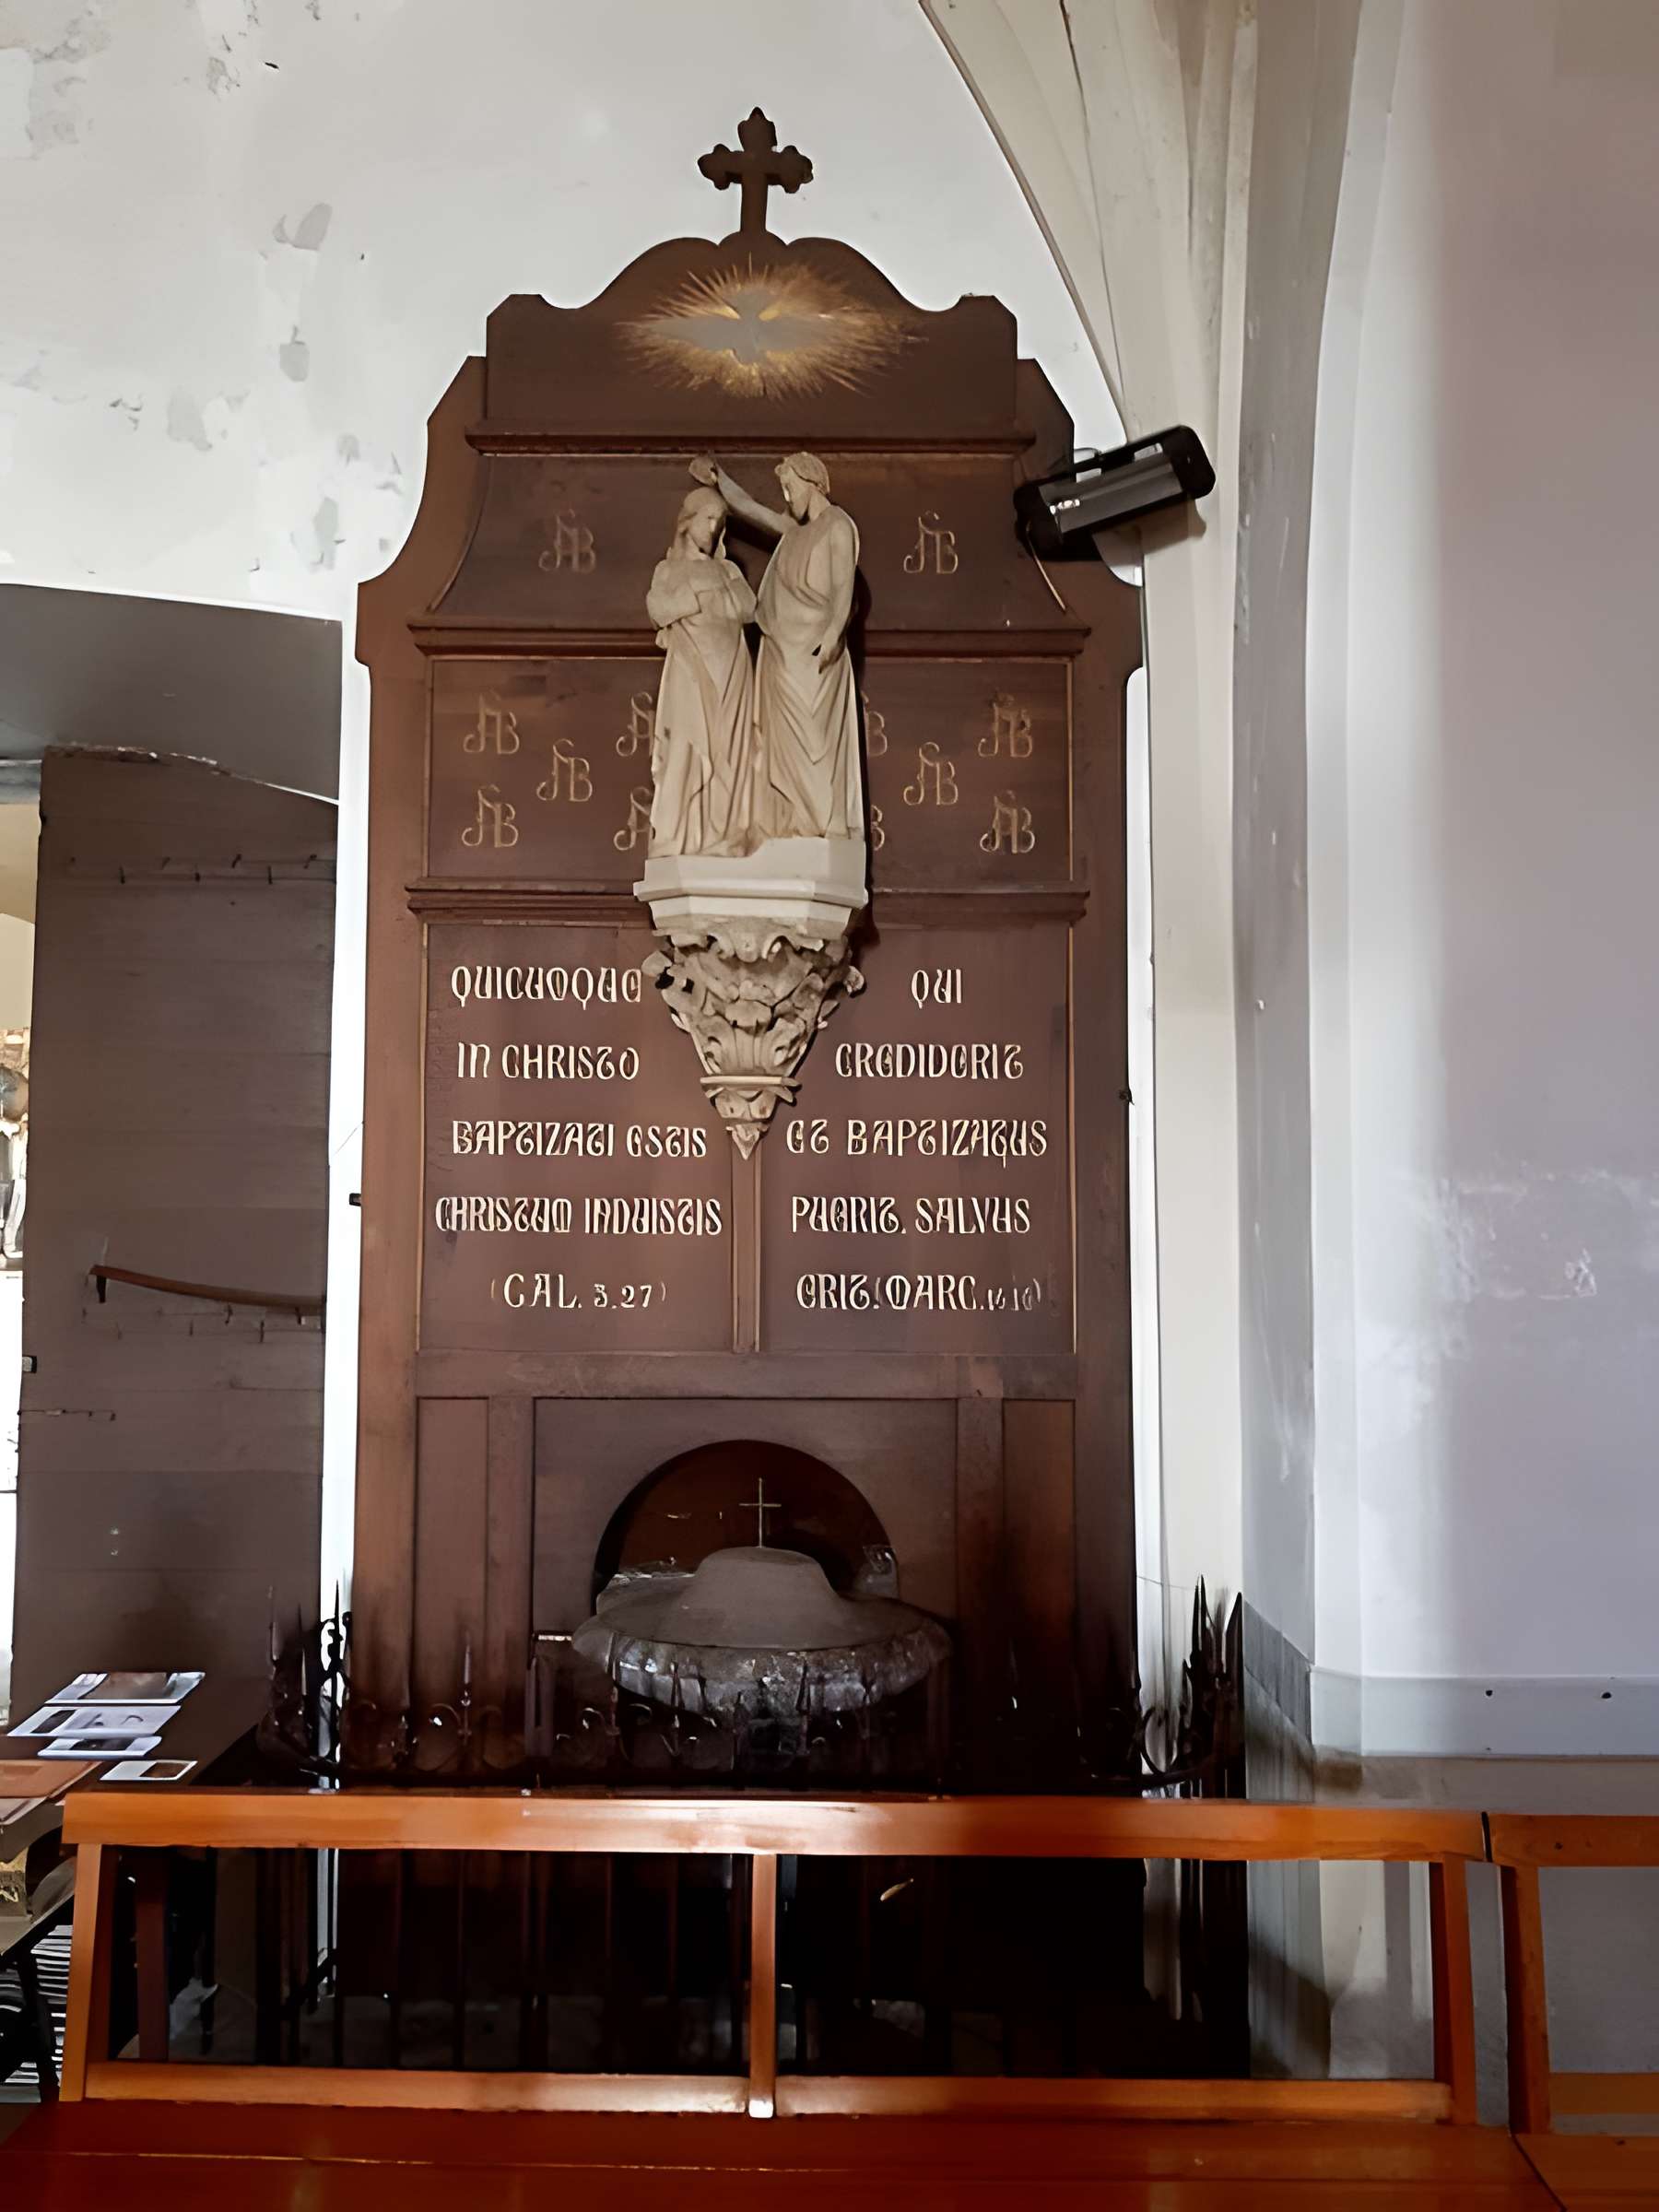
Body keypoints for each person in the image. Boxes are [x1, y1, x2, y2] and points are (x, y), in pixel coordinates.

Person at [689, 452, 862, 842]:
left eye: (790, 487)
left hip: (813, 650)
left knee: (814, 740)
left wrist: (833, 634)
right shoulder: (793, 530)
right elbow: (747, 506)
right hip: (780, 648)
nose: (786, 496)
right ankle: (796, 824)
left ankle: (822, 825)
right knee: (781, 743)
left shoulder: (837, 525)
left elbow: (843, 589)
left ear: (812, 482)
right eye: (783, 489)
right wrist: (719, 478)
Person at [644, 485, 759, 857]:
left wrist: (710, 593)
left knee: (730, 750)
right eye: (707, 519)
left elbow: (748, 608)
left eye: (718, 522)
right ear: (687, 521)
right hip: (691, 668)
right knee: (687, 746)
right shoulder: (669, 569)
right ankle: (679, 836)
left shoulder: (727, 570)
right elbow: (659, 608)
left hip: (733, 670)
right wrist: (700, 594)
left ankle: (724, 835)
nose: (712, 528)